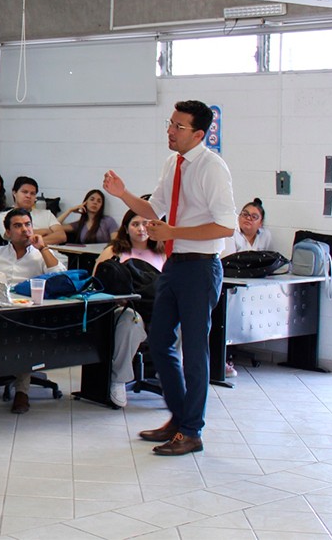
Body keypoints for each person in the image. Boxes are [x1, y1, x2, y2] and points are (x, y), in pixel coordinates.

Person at [103, 99, 235, 456]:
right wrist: (123, 194)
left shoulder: (212, 168)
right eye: (170, 123)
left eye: (178, 127)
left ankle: (192, 430)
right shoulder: (172, 164)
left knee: (194, 351)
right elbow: (154, 208)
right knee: (159, 340)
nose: (170, 131)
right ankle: (178, 418)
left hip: (201, 266)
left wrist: (174, 231)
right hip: (175, 264)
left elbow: (225, 225)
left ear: (198, 134)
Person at [0, 207, 66, 414]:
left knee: (25, 335)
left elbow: (61, 277)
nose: (24, 230)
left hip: (30, 314)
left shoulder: (41, 255)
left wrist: (43, 248)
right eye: (18, 226)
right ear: (7, 232)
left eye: (28, 225)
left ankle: (22, 392)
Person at [93, 208, 166, 407]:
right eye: (135, 224)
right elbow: (96, 284)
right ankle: (119, 379)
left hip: (155, 308)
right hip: (124, 308)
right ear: (126, 228)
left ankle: (170, 376)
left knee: (179, 323)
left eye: (146, 224)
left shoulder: (162, 252)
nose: (141, 229)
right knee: (131, 321)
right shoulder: (114, 252)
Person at [0, 176, 67, 245]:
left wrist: (36, 241)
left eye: (32, 193)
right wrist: (46, 231)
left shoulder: (47, 214)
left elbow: (61, 236)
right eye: (24, 192)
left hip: (51, 255)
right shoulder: (4, 216)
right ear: (14, 193)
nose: (28, 196)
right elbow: (17, 236)